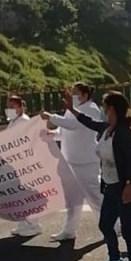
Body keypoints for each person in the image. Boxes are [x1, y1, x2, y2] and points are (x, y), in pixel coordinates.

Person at [63, 90, 131, 261]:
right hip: (109, 186)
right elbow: (89, 122)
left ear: (113, 109)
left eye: (105, 107)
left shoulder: (125, 133)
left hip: (125, 187)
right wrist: (72, 110)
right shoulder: (108, 129)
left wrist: (130, 185)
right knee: (105, 224)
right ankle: (115, 259)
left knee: (128, 230)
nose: (102, 110)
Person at [41, 82, 104, 242]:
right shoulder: (72, 111)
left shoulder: (91, 108)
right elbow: (64, 132)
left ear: (84, 95)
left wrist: (51, 117)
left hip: (86, 162)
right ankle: (69, 231)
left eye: (75, 93)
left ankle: (114, 226)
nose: (72, 96)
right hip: (71, 161)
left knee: (95, 197)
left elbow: (74, 125)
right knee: (72, 200)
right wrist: (52, 134)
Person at [5, 95, 42, 238]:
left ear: (20, 107)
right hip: (16, 163)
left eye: (12, 107)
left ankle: (34, 224)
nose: (9, 110)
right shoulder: (14, 121)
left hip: (26, 163)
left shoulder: (24, 122)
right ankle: (23, 223)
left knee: (28, 194)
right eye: (8, 107)